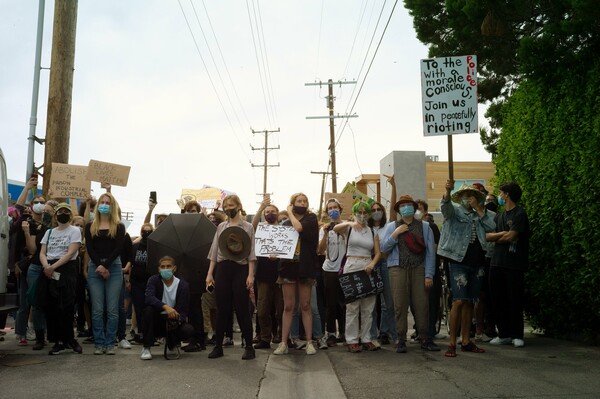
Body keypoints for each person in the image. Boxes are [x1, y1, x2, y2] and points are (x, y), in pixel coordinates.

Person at [437, 181, 496, 357]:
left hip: (478, 261)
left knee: (471, 300)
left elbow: (492, 227)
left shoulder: (483, 214)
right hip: (457, 260)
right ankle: (452, 343)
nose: (467, 199)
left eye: (471, 196)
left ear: (477, 199)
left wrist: (479, 209)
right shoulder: (454, 212)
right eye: (464, 196)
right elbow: (445, 207)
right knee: (459, 300)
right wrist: (447, 191)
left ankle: (466, 341)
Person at [380, 194, 438, 353]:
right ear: (398, 209)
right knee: (399, 305)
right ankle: (400, 339)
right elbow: (384, 248)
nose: (406, 207)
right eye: (402, 205)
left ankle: (425, 338)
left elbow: (431, 253)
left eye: (409, 204)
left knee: (421, 304)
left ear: (414, 207)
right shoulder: (392, 226)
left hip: (419, 268)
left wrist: (429, 274)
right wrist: (395, 234)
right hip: (397, 268)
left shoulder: (425, 226)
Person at [205, 194, 256, 360]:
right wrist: (210, 274)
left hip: (240, 268)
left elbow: (251, 252)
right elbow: (214, 251)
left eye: (231, 205)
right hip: (223, 268)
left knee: (242, 308)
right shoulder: (221, 226)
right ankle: (218, 346)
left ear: (239, 206)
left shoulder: (248, 226)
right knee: (222, 308)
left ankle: (249, 346)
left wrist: (250, 275)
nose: (228, 208)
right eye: (226, 206)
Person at [273, 193, 319, 356]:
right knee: (288, 306)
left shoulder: (311, 219)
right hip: (288, 268)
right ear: (293, 203)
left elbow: (298, 228)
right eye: (299, 201)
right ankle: (284, 342)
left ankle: (309, 342)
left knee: (305, 306)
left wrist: (289, 212)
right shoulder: (284, 224)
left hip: (305, 268)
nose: (302, 203)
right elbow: (278, 246)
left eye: (305, 201)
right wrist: (274, 252)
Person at [333, 201, 381, 352]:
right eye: (359, 212)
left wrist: (372, 264)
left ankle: (366, 338)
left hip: (367, 266)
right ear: (354, 213)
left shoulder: (372, 231)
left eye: (364, 212)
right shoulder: (349, 228)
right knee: (353, 306)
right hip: (352, 266)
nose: (362, 215)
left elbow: (378, 252)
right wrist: (349, 223)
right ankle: (352, 340)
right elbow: (335, 228)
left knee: (368, 307)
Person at [486, 182, 529, 348]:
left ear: (507, 194)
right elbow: (488, 236)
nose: (500, 196)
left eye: (501, 193)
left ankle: (517, 335)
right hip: (496, 262)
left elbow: (511, 237)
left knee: (514, 299)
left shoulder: (520, 214)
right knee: (498, 299)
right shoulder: (499, 216)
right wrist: (503, 234)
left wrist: (500, 236)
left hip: (514, 264)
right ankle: (503, 334)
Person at [85, 192, 127, 355]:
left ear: (113, 206)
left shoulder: (119, 226)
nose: (104, 205)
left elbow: (118, 249)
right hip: (95, 267)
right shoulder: (90, 226)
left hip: (114, 268)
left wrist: (106, 266)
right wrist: (100, 266)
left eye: (107, 202)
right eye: (102, 202)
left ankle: (110, 343)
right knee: (96, 309)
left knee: (112, 309)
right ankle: (99, 342)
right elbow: (89, 248)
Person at [39, 203, 82, 355]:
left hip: (66, 269)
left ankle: (70, 338)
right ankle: (58, 341)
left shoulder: (75, 231)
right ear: (55, 215)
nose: (62, 214)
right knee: (53, 306)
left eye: (66, 212)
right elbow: (42, 252)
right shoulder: (49, 232)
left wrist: (53, 267)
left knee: (67, 306)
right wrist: (46, 267)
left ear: (70, 215)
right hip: (49, 270)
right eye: (60, 212)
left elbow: (71, 253)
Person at [140, 256, 193, 360]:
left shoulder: (183, 285)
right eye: (163, 267)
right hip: (156, 318)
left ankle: (172, 344)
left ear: (174, 268)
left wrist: (177, 318)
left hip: (173, 320)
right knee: (148, 311)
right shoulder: (153, 280)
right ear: (159, 269)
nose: (166, 269)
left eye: (169, 266)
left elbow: (183, 310)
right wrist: (165, 307)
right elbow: (149, 298)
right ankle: (147, 347)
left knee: (188, 330)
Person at [24, 199, 58, 350]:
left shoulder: (61, 229)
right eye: (44, 212)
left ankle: (54, 335)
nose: (45, 214)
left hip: (55, 268)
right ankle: (39, 337)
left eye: (49, 212)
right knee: (37, 304)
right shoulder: (36, 227)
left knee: (54, 302)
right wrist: (26, 232)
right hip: (37, 268)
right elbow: (32, 250)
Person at [251, 195, 283, 350]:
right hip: (263, 275)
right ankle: (265, 338)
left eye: (273, 211)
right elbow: (253, 225)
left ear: (277, 214)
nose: (270, 213)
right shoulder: (261, 227)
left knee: (281, 309)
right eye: (267, 211)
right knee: (262, 310)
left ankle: (283, 337)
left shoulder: (284, 229)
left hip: (281, 274)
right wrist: (261, 208)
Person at [368, 201, 398, 346]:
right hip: (370, 264)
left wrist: (393, 186)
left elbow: (393, 208)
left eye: (379, 209)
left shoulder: (388, 226)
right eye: (373, 209)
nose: (376, 211)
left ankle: (388, 333)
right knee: (372, 304)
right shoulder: (366, 228)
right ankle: (373, 335)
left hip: (386, 263)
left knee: (389, 303)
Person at [318, 198, 347, 346]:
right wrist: (324, 232)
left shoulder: (347, 225)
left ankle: (344, 332)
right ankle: (330, 333)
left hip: (345, 268)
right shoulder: (324, 228)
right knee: (330, 303)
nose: (333, 210)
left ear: (340, 209)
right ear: (327, 212)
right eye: (330, 208)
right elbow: (320, 250)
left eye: (335, 207)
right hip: (329, 269)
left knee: (344, 303)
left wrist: (341, 229)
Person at [129, 223, 153, 343]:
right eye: (145, 231)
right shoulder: (135, 247)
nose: (147, 233)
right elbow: (130, 264)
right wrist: (128, 280)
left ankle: (151, 334)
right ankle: (141, 333)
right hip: (136, 282)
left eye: (150, 231)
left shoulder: (155, 247)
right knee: (138, 309)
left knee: (149, 308)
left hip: (150, 283)